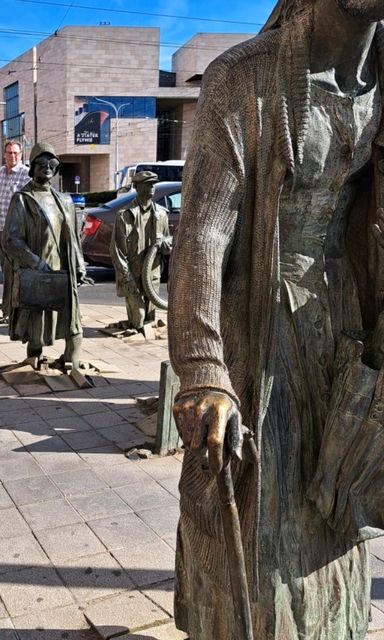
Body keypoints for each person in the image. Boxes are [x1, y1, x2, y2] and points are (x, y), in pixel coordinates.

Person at [168, 1, 384, 638]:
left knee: (338, 515)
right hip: (259, 331)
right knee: (259, 530)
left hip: (344, 326)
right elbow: (203, 233)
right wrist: (204, 369)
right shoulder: (246, 77)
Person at [3, 142, 92, 367]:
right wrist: (35, 262)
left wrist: (80, 264)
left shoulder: (64, 200)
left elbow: (72, 237)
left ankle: (71, 358)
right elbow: (11, 239)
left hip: (64, 268)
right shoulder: (22, 199)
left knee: (72, 317)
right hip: (38, 268)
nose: (47, 167)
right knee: (36, 316)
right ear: (32, 167)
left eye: (51, 163)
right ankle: (34, 354)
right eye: (41, 163)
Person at [109, 171, 170, 330]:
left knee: (149, 321)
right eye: (147, 183)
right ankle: (132, 322)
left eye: (153, 184)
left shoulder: (162, 214)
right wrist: (126, 275)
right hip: (131, 274)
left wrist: (166, 246)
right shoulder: (124, 215)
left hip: (152, 273)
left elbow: (168, 244)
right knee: (139, 321)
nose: (152, 187)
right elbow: (116, 249)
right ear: (136, 187)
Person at [0, 141, 30, 323]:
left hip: (16, 232)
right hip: (1, 229)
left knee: (16, 271)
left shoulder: (26, 174)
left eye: (16, 153)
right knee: (4, 269)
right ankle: (8, 302)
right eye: (9, 153)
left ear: (20, 154)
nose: (12, 156)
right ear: (4, 154)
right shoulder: (0, 173)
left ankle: (13, 307)